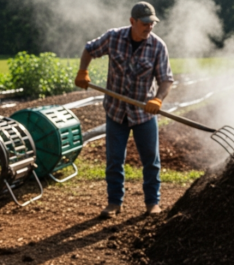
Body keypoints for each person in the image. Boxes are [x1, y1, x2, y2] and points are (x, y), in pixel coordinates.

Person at [75, 1, 174, 218]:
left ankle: (152, 203)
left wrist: (158, 99)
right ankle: (114, 202)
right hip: (116, 111)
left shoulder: (157, 46)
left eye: (152, 23)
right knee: (114, 160)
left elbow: (166, 79)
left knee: (151, 160)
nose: (149, 27)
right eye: (145, 23)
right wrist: (83, 71)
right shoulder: (114, 38)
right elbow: (89, 49)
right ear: (132, 21)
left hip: (144, 113)